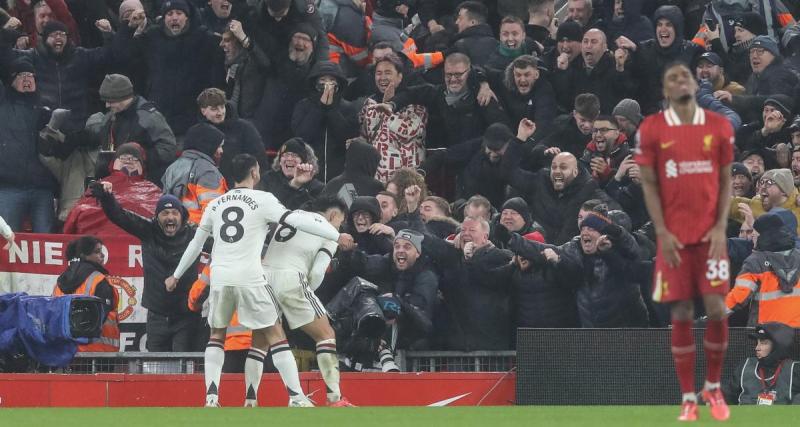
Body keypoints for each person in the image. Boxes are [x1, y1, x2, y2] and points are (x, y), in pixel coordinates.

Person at [166, 153, 347, 408]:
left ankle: (212, 398)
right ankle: (296, 397)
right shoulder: (263, 200)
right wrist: (335, 235)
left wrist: (175, 275)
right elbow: (294, 219)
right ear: (254, 173)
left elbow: (196, 244)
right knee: (276, 336)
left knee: (217, 336)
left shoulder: (216, 204)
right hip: (250, 276)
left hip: (220, 276)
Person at [635, 62, 734, 421]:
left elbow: (726, 180)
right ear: (665, 90)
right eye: (672, 77)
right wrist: (661, 231)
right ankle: (688, 396)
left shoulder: (718, 126)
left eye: (685, 76)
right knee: (681, 312)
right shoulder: (652, 128)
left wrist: (722, 226)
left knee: (718, 309)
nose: (680, 81)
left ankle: (713, 385)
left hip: (710, 236)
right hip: (673, 237)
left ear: (695, 83)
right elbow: (648, 182)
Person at [260, 196, 355, 406]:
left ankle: (253, 399)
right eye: (340, 221)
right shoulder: (329, 232)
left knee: (264, 342)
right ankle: (334, 398)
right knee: (326, 335)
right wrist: (307, 290)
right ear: (333, 215)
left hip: (263, 278)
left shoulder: (292, 217)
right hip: (291, 278)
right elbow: (317, 272)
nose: (339, 226)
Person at [92, 187, 203, 352]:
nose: (170, 217)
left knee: (184, 369)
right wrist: (106, 196)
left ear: (182, 216)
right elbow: (120, 216)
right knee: (156, 369)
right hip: (156, 315)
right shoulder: (148, 230)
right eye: (165, 214)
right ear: (157, 217)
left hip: (187, 316)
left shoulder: (195, 235)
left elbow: (222, 245)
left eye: (174, 213)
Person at [82, 74, 177, 185]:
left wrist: (140, 157)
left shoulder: (149, 118)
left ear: (122, 97)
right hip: (116, 182)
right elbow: (99, 133)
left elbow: (169, 148)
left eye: (110, 100)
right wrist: (76, 138)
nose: (107, 105)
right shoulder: (113, 115)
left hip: (144, 185)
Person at [0, 57, 57, 233]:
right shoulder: (3, 103)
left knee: (45, 240)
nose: (27, 80)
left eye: (31, 76)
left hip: (43, 187)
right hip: (9, 186)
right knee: (7, 239)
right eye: (22, 75)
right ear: (11, 80)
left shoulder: (47, 106)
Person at [63, 143, 162, 236]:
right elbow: (78, 211)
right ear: (113, 163)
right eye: (123, 157)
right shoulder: (99, 185)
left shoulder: (152, 190)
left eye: (135, 159)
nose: (128, 160)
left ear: (143, 166)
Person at [726, 212, 800, 328]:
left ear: (762, 236)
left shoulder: (755, 262)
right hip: (796, 333)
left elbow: (738, 297)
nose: (752, 239)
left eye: (754, 235)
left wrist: (714, 315)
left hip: (764, 334)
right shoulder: (798, 257)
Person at [52, 236, 119, 352]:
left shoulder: (60, 281)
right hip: (98, 351)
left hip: (65, 351)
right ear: (83, 255)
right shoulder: (99, 280)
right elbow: (102, 317)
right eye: (97, 252)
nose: (102, 255)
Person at [196, 88, 268, 187]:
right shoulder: (197, 132)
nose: (220, 112)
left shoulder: (244, 128)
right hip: (208, 189)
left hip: (241, 189)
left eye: (222, 107)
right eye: (214, 109)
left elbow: (260, 159)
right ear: (203, 111)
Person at [162, 123, 228, 225]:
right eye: (219, 146)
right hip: (199, 234)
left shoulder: (172, 167)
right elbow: (214, 212)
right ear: (208, 145)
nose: (221, 151)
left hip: (175, 231)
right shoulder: (208, 172)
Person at [723, 322, 800, 405]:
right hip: (746, 417)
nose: (757, 348)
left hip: (781, 417)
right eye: (757, 343)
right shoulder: (745, 366)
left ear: (777, 346)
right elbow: (728, 395)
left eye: (763, 343)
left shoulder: (794, 370)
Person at [257, 138, 323, 210]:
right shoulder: (268, 179)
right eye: (285, 155)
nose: (289, 158)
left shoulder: (317, 187)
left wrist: (298, 187)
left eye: (294, 155)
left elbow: (313, 213)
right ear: (280, 161)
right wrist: (293, 185)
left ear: (305, 161)